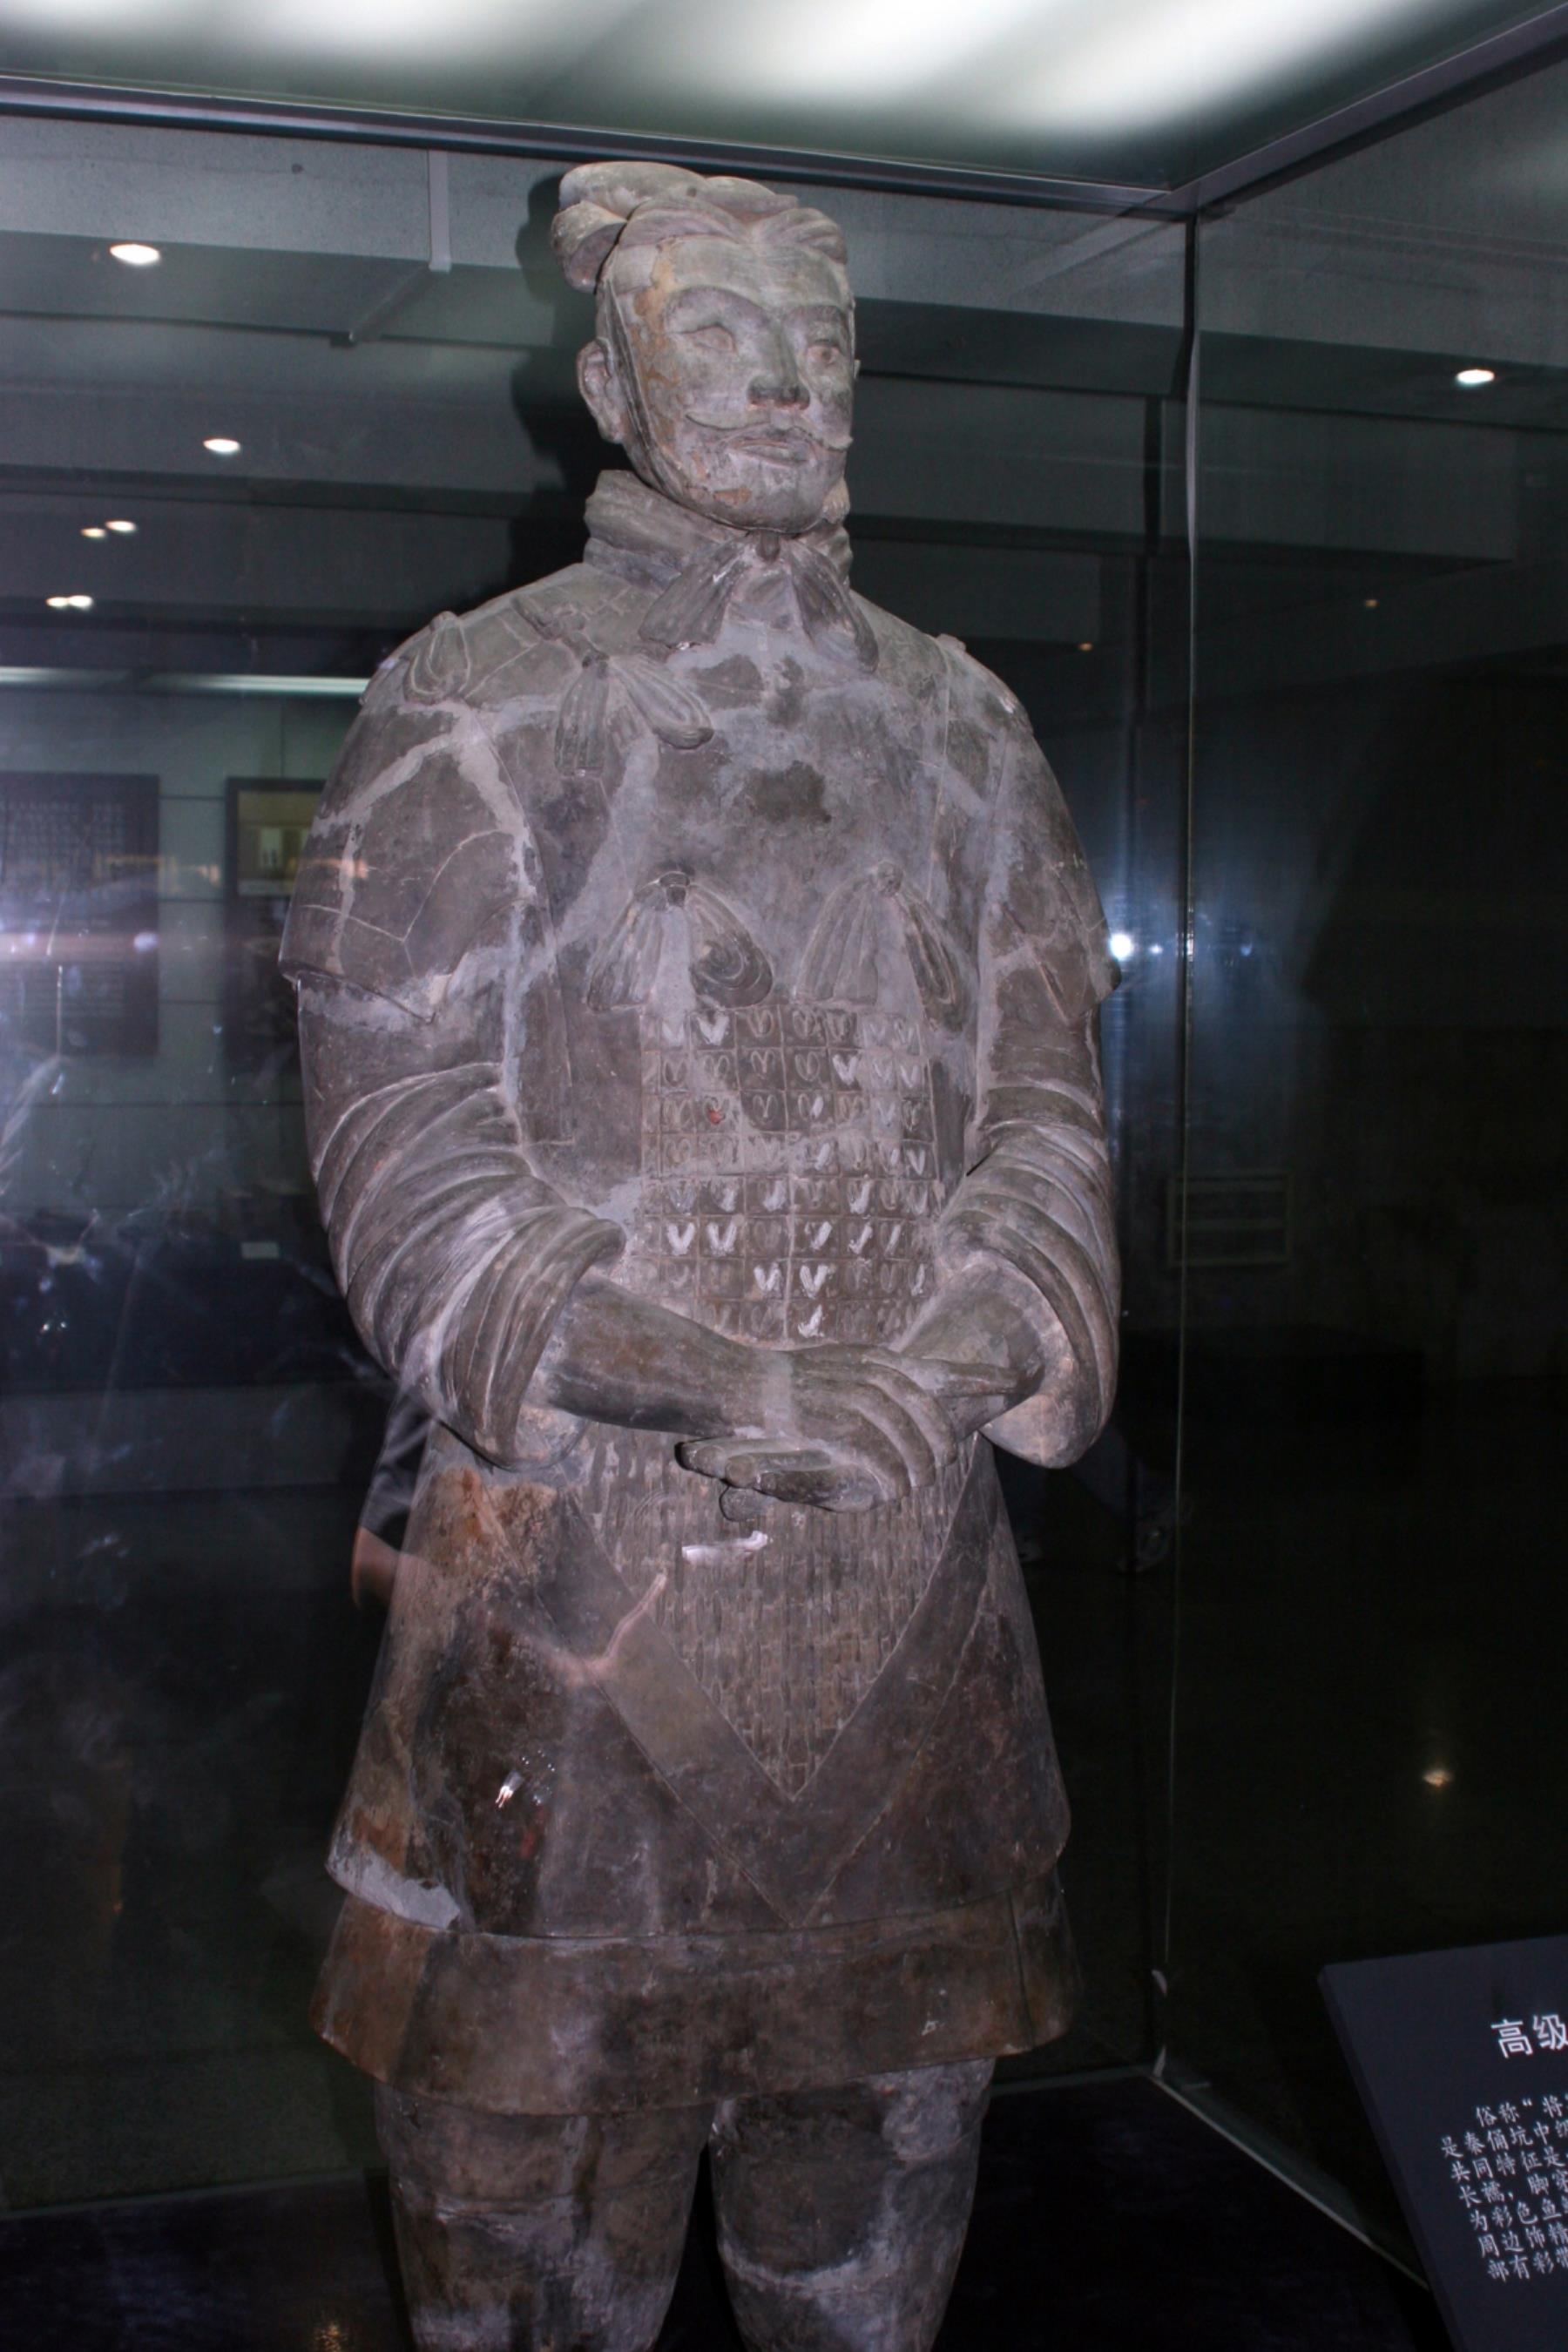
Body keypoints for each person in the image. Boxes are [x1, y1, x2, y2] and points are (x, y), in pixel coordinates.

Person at [280, 159, 1119, 2352]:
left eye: (823, 347)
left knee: (869, 2249)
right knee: (529, 2246)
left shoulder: (960, 722)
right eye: (722, 339)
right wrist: (716, 1378)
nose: (786, 386)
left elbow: (1047, 1107)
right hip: (566, 1613)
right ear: (611, 384)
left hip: (912, 1613)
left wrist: (962, 1347)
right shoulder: (480, 703)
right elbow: (402, 1137)